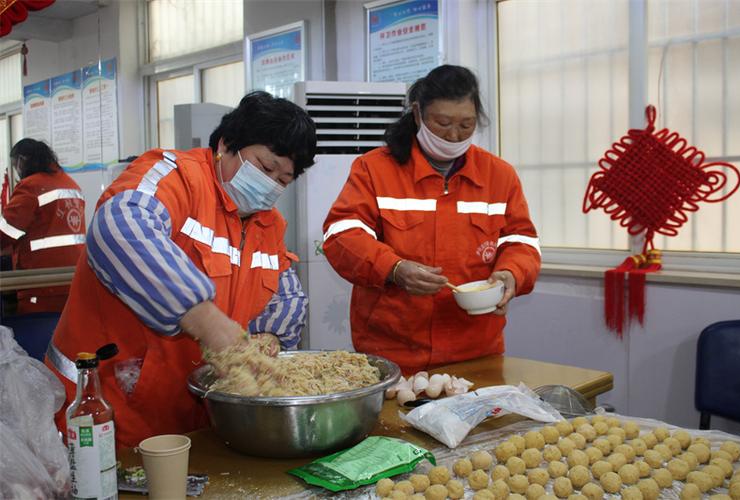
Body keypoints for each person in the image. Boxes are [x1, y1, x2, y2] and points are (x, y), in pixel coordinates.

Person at [45, 91, 316, 447]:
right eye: (265, 168)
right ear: (225, 144)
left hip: (191, 421)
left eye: (283, 181)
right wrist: (206, 320)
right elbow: (120, 229)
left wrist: (272, 336)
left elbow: (284, 294)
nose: (270, 186)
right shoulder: (175, 177)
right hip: (105, 409)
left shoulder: (268, 224)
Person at [322, 65, 541, 373]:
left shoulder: (499, 175)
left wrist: (511, 274)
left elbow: (521, 240)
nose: (453, 135)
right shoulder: (374, 169)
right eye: (442, 123)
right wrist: (394, 269)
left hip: (476, 349)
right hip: (393, 350)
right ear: (417, 114)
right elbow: (342, 235)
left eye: (466, 125)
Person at [0, 139, 85, 314]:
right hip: (73, 279)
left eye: (16, 165)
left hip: (40, 282)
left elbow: (6, 233)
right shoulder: (71, 185)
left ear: (22, 160)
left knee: (36, 336)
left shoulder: (31, 186)